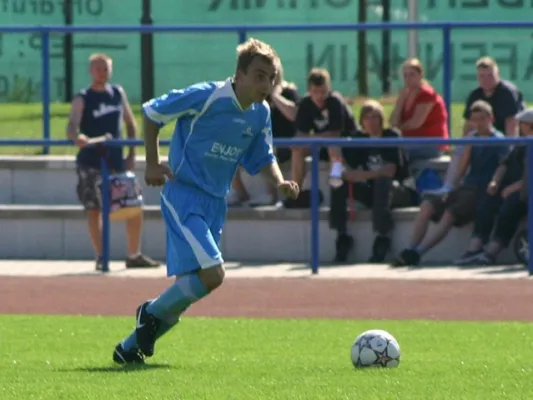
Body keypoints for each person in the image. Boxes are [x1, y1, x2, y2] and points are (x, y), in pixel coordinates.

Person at [112, 38, 300, 365]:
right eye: (259, 75)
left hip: (216, 202)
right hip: (184, 195)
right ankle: (150, 312)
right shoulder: (208, 95)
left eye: (272, 78)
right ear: (239, 75)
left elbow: (263, 155)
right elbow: (153, 113)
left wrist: (280, 181)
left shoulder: (261, 113)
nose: (266, 84)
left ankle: (129, 348)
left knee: (192, 285)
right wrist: (153, 162)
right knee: (213, 274)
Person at [66, 53, 160, 271]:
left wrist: (131, 154)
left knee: (134, 206)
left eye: (106, 68)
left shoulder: (117, 93)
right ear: (91, 71)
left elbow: (131, 124)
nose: (102, 72)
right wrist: (77, 137)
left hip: (116, 161)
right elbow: (72, 125)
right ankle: (101, 256)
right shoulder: (83, 97)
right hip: (91, 162)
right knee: (93, 209)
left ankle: (133, 254)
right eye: (98, 68)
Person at [391, 100, 510, 267]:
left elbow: (504, 165)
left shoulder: (499, 140)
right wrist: (450, 186)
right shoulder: (472, 138)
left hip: (481, 189)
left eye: (482, 119)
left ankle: (419, 252)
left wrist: (494, 182)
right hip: (466, 186)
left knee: (449, 213)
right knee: (427, 205)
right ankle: (410, 248)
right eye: (474, 119)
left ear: (491, 118)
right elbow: (463, 166)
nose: (478, 123)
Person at [329, 100, 416, 263]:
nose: (371, 121)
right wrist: (372, 173)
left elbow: (390, 171)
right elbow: (347, 174)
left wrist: (362, 175)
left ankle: (382, 238)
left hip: (400, 190)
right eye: (367, 117)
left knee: (383, 182)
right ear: (361, 120)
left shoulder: (391, 136)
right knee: (337, 183)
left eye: (375, 117)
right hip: (372, 190)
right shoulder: (358, 139)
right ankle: (342, 237)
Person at [426, 56, 525, 197]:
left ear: (498, 75)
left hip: (500, 139)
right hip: (481, 138)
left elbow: (512, 123)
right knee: (461, 148)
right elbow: (468, 124)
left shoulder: (507, 92)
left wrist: (509, 146)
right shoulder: (476, 94)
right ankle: (450, 186)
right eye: (482, 76)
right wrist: (462, 142)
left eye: (490, 75)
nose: (486, 79)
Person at [454, 108, 533, 266]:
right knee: (486, 203)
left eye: (521, 123)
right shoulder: (520, 144)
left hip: (524, 191)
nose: (518, 126)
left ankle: (491, 252)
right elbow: (504, 165)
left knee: (509, 208)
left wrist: (512, 188)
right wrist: (495, 181)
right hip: (508, 188)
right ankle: (475, 248)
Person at [228, 64, 300, 206]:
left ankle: (270, 195)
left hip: (285, 145)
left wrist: (274, 95)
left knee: (266, 149)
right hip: (258, 139)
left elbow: (294, 115)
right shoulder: (256, 95)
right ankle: (241, 194)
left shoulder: (288, 92)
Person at [289, 68, 358, 193]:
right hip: (321, 142)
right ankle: (296, 188)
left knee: (333, 144)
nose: (320, 96)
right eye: (315, 92)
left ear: (329, 88)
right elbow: (300, 134)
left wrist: (310, 138)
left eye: (323, 92)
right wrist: (302, 140)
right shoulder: (305, 103)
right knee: (297, 148)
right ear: (309, 90)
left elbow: (334, 134)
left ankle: (336, 179)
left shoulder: (335, 101)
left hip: (348, 144)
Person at [388, 58, 449, 163]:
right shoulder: (405, 94)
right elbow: (392, 121)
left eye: (412, 75)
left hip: (431, 144)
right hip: (410, 142)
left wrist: (396, 129)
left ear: (420, 75)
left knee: (395, 154)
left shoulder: (427, 94)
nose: (408, 78)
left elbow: (415, 123)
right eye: (405, 75)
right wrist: (400, 102)